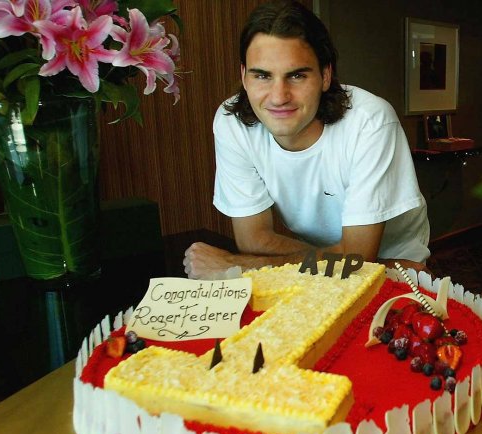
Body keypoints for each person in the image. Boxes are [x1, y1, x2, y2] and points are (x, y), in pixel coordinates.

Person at [183, 0, 430, 279]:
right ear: (244, 76)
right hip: (358, 265)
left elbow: (359, 258)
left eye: (297, 75)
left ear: (326, 75)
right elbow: (253, 239)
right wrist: (343, 262)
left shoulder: (371, 122)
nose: (278, 96)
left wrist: (236, 266)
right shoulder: (233, 123)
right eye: (262, 75)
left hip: (399, 271)